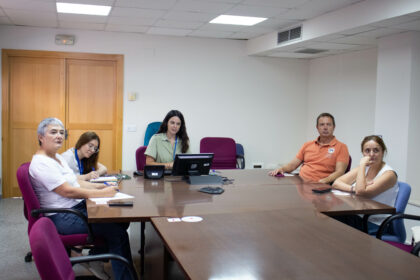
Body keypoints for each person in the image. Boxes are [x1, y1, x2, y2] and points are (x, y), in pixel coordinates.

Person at [29, 118, 133, 280]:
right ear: (41, 137)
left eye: (62, 133)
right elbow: (67, 191)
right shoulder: (42, 163)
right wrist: (102, 194)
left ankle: (98, 257)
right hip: (63, 216)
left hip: (74, 208)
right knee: (117, 233)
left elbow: (76, 181)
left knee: (119, 219)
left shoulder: (57, 158)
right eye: (53, 132)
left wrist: (98, 187)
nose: (59, 136)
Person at [332, 135, 398, 228]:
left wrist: (362, 164)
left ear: (383, 152)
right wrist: (353, 188)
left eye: (376, 150)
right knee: (327, 216)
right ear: (363, 153)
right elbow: (336, 183)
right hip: (357, 215)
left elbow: (361, 193)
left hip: (374, 222)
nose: (371, 154)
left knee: (332, 220)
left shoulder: (389, 174)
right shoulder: (365, 168)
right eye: (367, 151)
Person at [269, 113, 349, 183]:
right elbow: (292, 165)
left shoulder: (342, 147)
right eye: (322, 124)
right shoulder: (307, 145)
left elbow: (340, 172)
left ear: (334, 127)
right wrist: (281, 169)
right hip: (301, 183)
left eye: (328, 124)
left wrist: (324, 181)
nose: (325, 127)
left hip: (321, 186)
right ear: (317, 127)